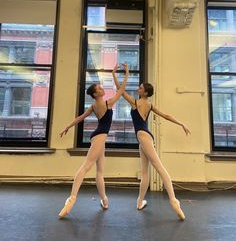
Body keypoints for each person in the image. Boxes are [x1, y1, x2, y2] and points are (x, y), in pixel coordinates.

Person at [112, 66, 190, 220]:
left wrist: (121, 74)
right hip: (144, 138)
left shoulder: (136, 103)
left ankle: (174, 202)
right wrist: (181, 123)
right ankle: (140, 202)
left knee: (159, 168)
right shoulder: (149, 105)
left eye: (140, 88)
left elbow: (120, 90)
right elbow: (166, 115)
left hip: (144, 137)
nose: (138, 88)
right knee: (145, 172)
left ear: (145, 92)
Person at [58, 63, 129, 218]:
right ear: (96, 94)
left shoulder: (95, 105)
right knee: (86, 167)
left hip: (99, 138)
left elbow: (80, 118)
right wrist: (122, 73)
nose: (102, 89)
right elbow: (122, 90)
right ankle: (71, 199)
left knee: (100, 172)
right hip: (99, 138)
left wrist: (67, 127)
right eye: (99, 88)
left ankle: (104, 200)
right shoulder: (106, 103)